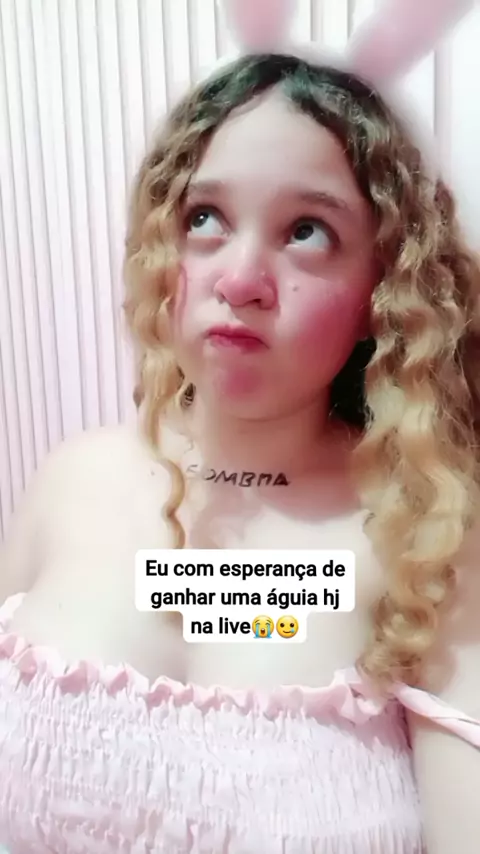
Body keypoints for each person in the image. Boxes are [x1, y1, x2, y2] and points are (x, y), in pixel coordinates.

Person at [0, 1, 479, 852]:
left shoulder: (433, 539)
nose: (241, 278)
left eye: (307, 231)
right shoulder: (67, 481)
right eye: (204, 218)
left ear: (382, 292)